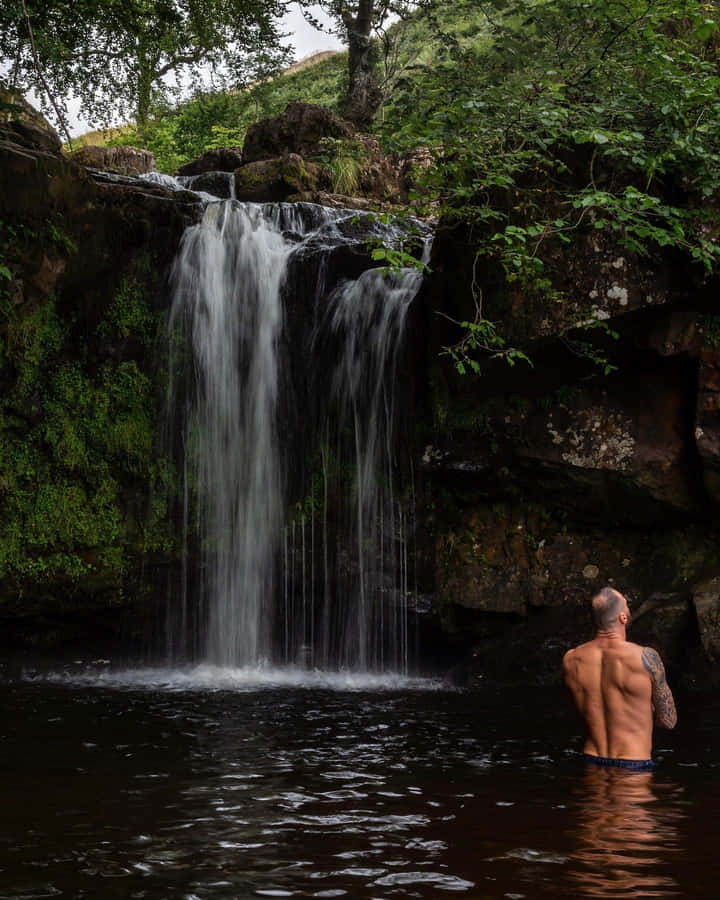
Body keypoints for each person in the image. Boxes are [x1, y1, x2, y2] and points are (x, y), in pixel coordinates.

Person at [563, 586, 677, 771]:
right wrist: (645, 710)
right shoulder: (645, 657)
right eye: (627, 606)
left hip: (592, 760)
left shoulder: (571, 659)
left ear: (591, 618)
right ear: (623, 618)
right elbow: (668, 721)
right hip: (634, 763)